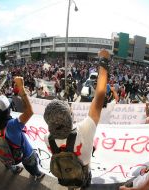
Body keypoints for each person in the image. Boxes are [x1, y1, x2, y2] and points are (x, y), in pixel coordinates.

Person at [43, 49, 109, 188]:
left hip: (64, 175)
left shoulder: (46, 138)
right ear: (70, 115)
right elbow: (100, 96)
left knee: (70, 180)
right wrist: (103, 60)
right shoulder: (84, 129)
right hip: (83, 174)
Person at [0, 77, 45, 180]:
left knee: (23, 164)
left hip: (12, 156)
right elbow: (30, 112)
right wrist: (21, 87)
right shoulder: (13, 124)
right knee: (32, 167)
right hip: (27, 154)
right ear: (8, 110)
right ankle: (37, 174)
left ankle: (26, 171)